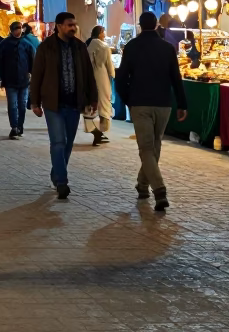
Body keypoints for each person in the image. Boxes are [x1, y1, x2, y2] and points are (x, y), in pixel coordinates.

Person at [115, 12, 188, 211]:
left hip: (140, 103)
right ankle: (142, 185)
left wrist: (127, 99)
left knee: (147, 148)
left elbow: (121, 77)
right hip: (163, 103)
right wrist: (182, 104)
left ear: (139, 25)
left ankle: (159, 190)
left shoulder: (132, 47)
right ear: (156, 25)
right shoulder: (167, 48)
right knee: (154, 146)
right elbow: (176, 77)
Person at [31, 12, 98, 199]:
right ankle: (62, 181)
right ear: (59, 26)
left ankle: (56, 172)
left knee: (68, 143)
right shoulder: (46, 48)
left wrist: (93, 99)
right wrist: (35, 102)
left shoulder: (79, 47)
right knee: (58, 142)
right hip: (54, 103)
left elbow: (88, 75)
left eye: (74, 24)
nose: (73, 28)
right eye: (69, 25)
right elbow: (37, 75)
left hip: (73, 103)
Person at [0, 21, 34, 138]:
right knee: (12, 105)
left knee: (22, 105)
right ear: (11, 30)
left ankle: (20, 127)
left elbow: (33, 62)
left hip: (24, 81)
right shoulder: (4, 44)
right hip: (10, 80)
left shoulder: (27, 44)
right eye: (16, 28)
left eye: (20, 28)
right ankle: (14, 127)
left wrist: (33, 77)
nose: (18, 30)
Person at [85, 26, 115, 146]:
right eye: (104, 32)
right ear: (100, 33)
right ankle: (101, 131)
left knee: (91, 104)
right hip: (101, 77)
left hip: (90, 77)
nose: (105, 34)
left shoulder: (88, 45)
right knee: (104, 101)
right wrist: (113, 74)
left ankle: (94, 131)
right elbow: (109, 65)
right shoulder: (104, 47)